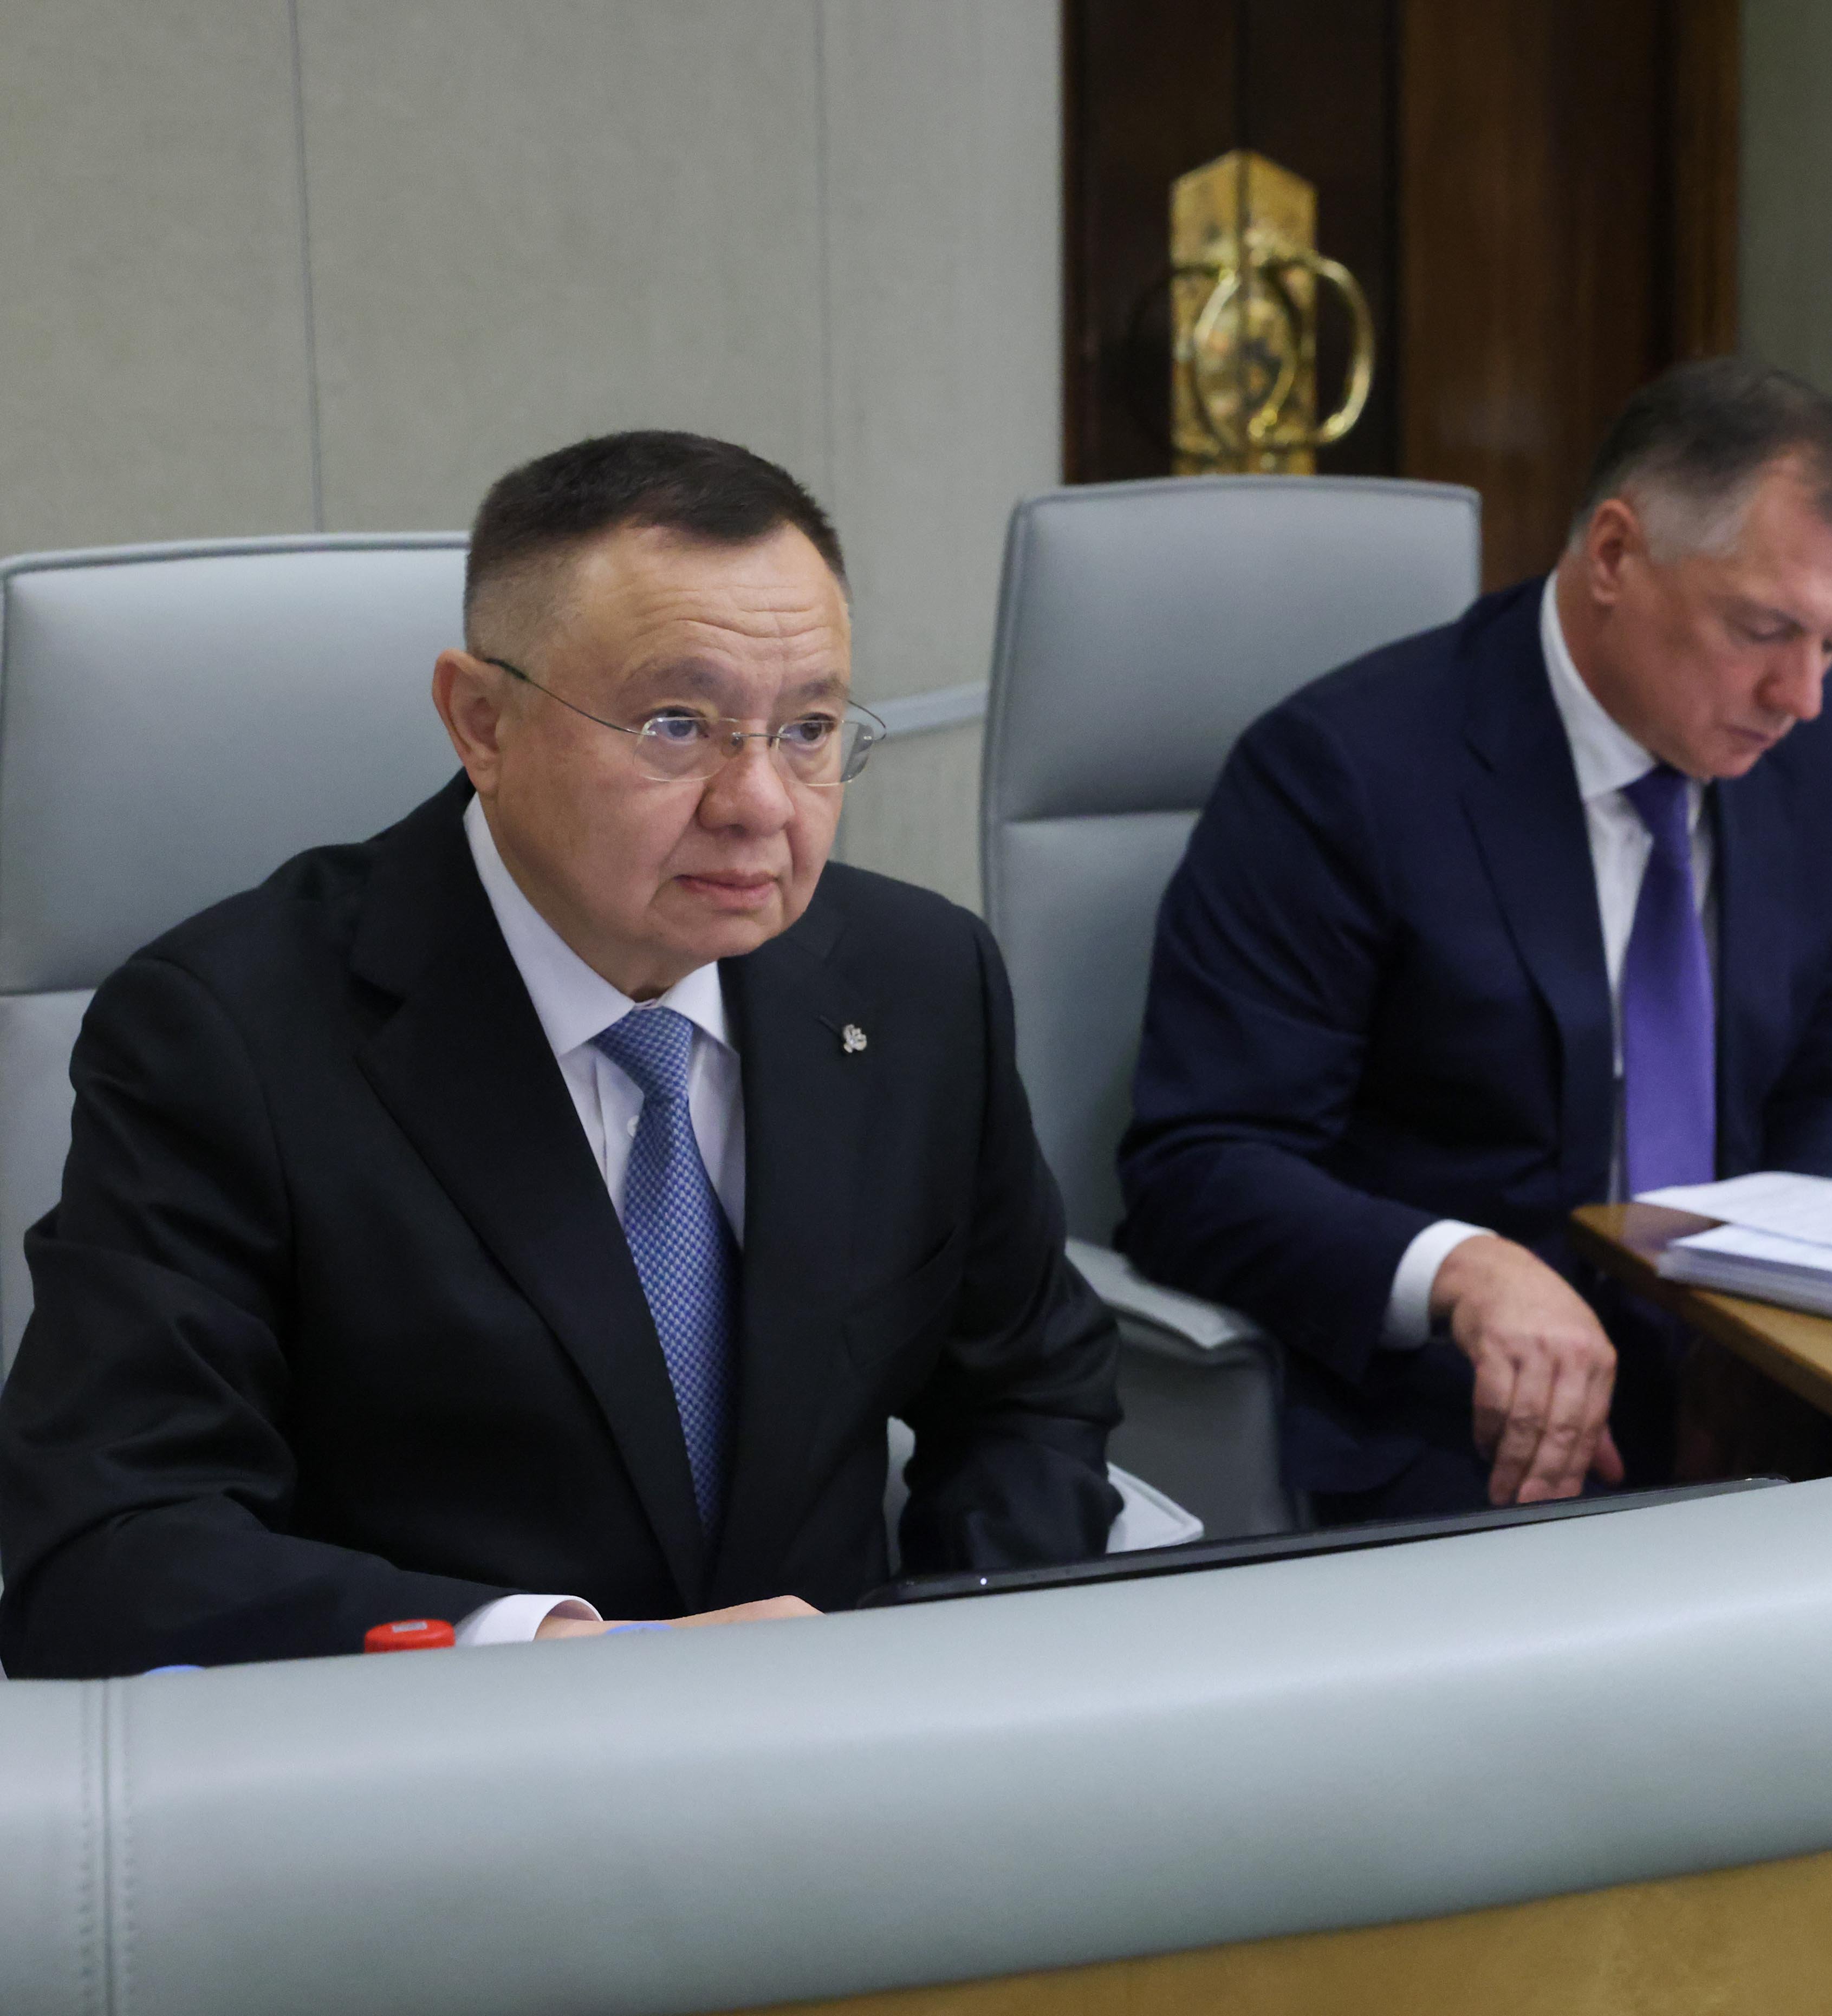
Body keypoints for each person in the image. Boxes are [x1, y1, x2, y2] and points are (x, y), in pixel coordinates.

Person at [0, 432, 1121, 1677]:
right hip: (445, 1760)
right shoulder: (226, 1035)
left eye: (808, 728)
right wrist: (559, 1652)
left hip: (855, 1740)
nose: (760, 803)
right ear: (482, 721)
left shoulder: (918, 982)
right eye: (677, 724)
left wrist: (948, 1652)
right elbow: (111, 1548)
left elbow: (1030, 1392)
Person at [1118, 359, 1832, 1523]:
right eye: (1765, 630)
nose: (1803, 695)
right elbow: (1199, 1166)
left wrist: (1785, 1307)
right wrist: (1462, 1268)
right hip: (1459, 1413)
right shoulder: (1345, 774)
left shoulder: (1826, 752)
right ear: (1615, 555)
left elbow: (1830, 1079)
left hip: (1745, 1382)